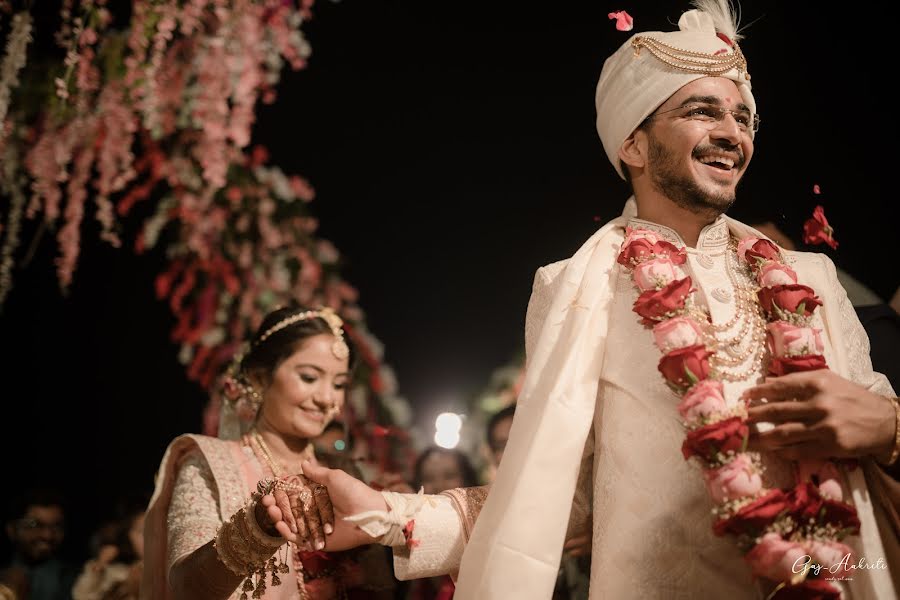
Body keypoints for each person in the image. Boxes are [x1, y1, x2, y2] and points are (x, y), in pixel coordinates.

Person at [298, 2, 900, 598]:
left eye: (744, 119)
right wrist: (388, 514)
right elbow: (564, 494)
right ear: (633, 145)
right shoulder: (577, 287)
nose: (733, 134)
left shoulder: (810, 279)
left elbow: (877, 436)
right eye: (703, 111)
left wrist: (889, 428)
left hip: (826, 580)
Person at [140, 306, 394, 599]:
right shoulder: (208, 463)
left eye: (339, 385)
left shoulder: (343, 473)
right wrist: (255, 530)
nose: (327, 399)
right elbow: (186, 589)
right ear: (261, 378)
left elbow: (379, 587)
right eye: (310, 377)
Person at [0, 489, 76, 600]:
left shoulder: (80, 580)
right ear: (12, 529)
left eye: (56, 526)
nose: (47, 535)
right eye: (34, 524)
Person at [72, 507, 145, 600]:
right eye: (141, 531)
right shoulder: (117, 572)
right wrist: (100, 565)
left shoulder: (166, 569)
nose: (149, 537)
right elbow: (81, 595)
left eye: (155, 531)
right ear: (129, 535)